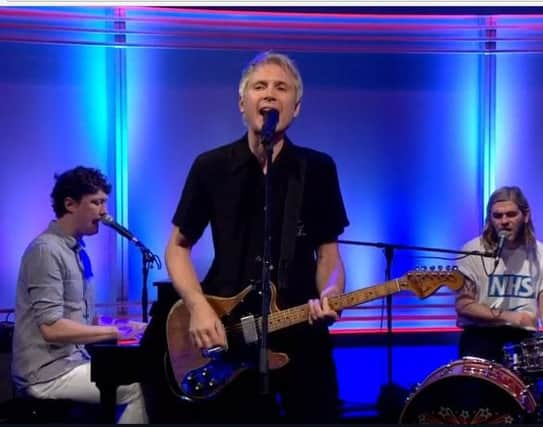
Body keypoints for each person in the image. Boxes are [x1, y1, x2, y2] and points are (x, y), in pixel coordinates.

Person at [142, 51, 349, 423]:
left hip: (300, 328)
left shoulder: (317, 169)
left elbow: (328, 253)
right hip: (228, 331)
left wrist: (332, 293)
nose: (270, 94)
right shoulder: (212, 167)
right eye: (260, 86)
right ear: (243, 103)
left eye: (281, 87)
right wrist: (198, 306)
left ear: (296, 107)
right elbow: (177, 247)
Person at [11, 166, 148, 423]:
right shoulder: (45, 251)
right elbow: (52, 328)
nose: (104, 211)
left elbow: (87, 322)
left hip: (73, 363)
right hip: (47, 374)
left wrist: (134, 327)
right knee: (136, 387)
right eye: (96, 202)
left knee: (142, 374)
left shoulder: (78, 252)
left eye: (104, 202)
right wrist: (116, 333)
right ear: (70, 204)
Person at [455, 185, 543, 364]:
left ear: (525, 216)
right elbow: (464, 305)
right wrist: (511, 317)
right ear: (490, 219)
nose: (504, 221)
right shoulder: (472, 250)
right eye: (497, 216)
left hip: (524, 340)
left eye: (511, 214)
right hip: (481, 337)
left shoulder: (539, 252)